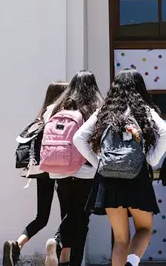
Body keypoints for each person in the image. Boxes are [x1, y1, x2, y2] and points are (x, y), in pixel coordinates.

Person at [73, 69, 166, 266]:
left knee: (120, 239)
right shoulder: (143, 109)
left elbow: (78, 138)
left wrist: (98, 163)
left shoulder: (105, 110)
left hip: (108, 178)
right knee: (144, 229)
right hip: (137, 177)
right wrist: (151, 159)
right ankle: (133, 262)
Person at [3, 81, 68, 266]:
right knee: (68, 215)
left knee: (41, 217)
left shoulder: (41, 118)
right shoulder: (63, 119)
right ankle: (61, 256)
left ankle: (17, 245)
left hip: (42, 171)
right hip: (62, 170)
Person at [43, 71, 103, 266]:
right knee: (81, 218)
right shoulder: (95, 108)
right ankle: (60, 245)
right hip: (85, 171)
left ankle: (62, 257)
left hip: (59, 170)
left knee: (68, 215)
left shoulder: (55, 108)